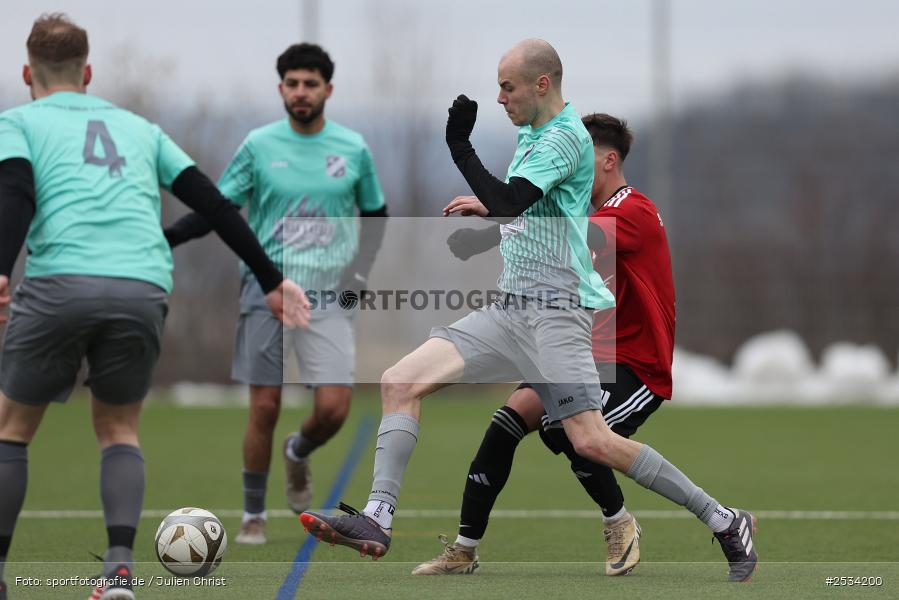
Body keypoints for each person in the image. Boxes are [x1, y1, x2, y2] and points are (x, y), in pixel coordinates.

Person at [299, 39, 757, 584]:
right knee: (399, 381)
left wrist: (460, 149)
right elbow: (529, 208)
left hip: (555, 317)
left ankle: (724, 519)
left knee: (591, 442)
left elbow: (516, 198)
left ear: (543, 84)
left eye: (507, 87)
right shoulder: (531, 133)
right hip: (507, 311)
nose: (499, 97)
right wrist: (488, 212)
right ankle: (377, 519)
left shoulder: (566, 138)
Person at [0, 14, 310, 600]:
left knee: (11, 431)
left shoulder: (17, 123)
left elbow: (14, 193)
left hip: (60, 283)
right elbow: (216, 204)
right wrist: (271, 279)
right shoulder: (141, 129)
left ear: (26, 73)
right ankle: (119, 572)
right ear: (88, 73)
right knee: (118, 429)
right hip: (143, 286)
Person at [413, 113, 676, 577]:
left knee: (569, 433)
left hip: (634, 363)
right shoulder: (587, 209)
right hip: (581, 350)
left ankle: (635, 523)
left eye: (583, 159)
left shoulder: (632, 210)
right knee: (505, 423)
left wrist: (499, 211)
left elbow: (566, 234)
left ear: (609, 160)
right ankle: (464, 549)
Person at [164, 43, 387, 545]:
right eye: (292, 83)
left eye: (310, 83)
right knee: (263, 406)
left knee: (333, 409)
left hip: (329, 296)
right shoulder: (258, 145)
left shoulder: (352, 148)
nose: (301, 92)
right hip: (266, 291)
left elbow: (376, 215)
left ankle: (298, 452)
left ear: (328, 89)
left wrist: (359, 277)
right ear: (281, 88)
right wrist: (167, 238)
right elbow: (217, 209)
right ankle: (253, 516)